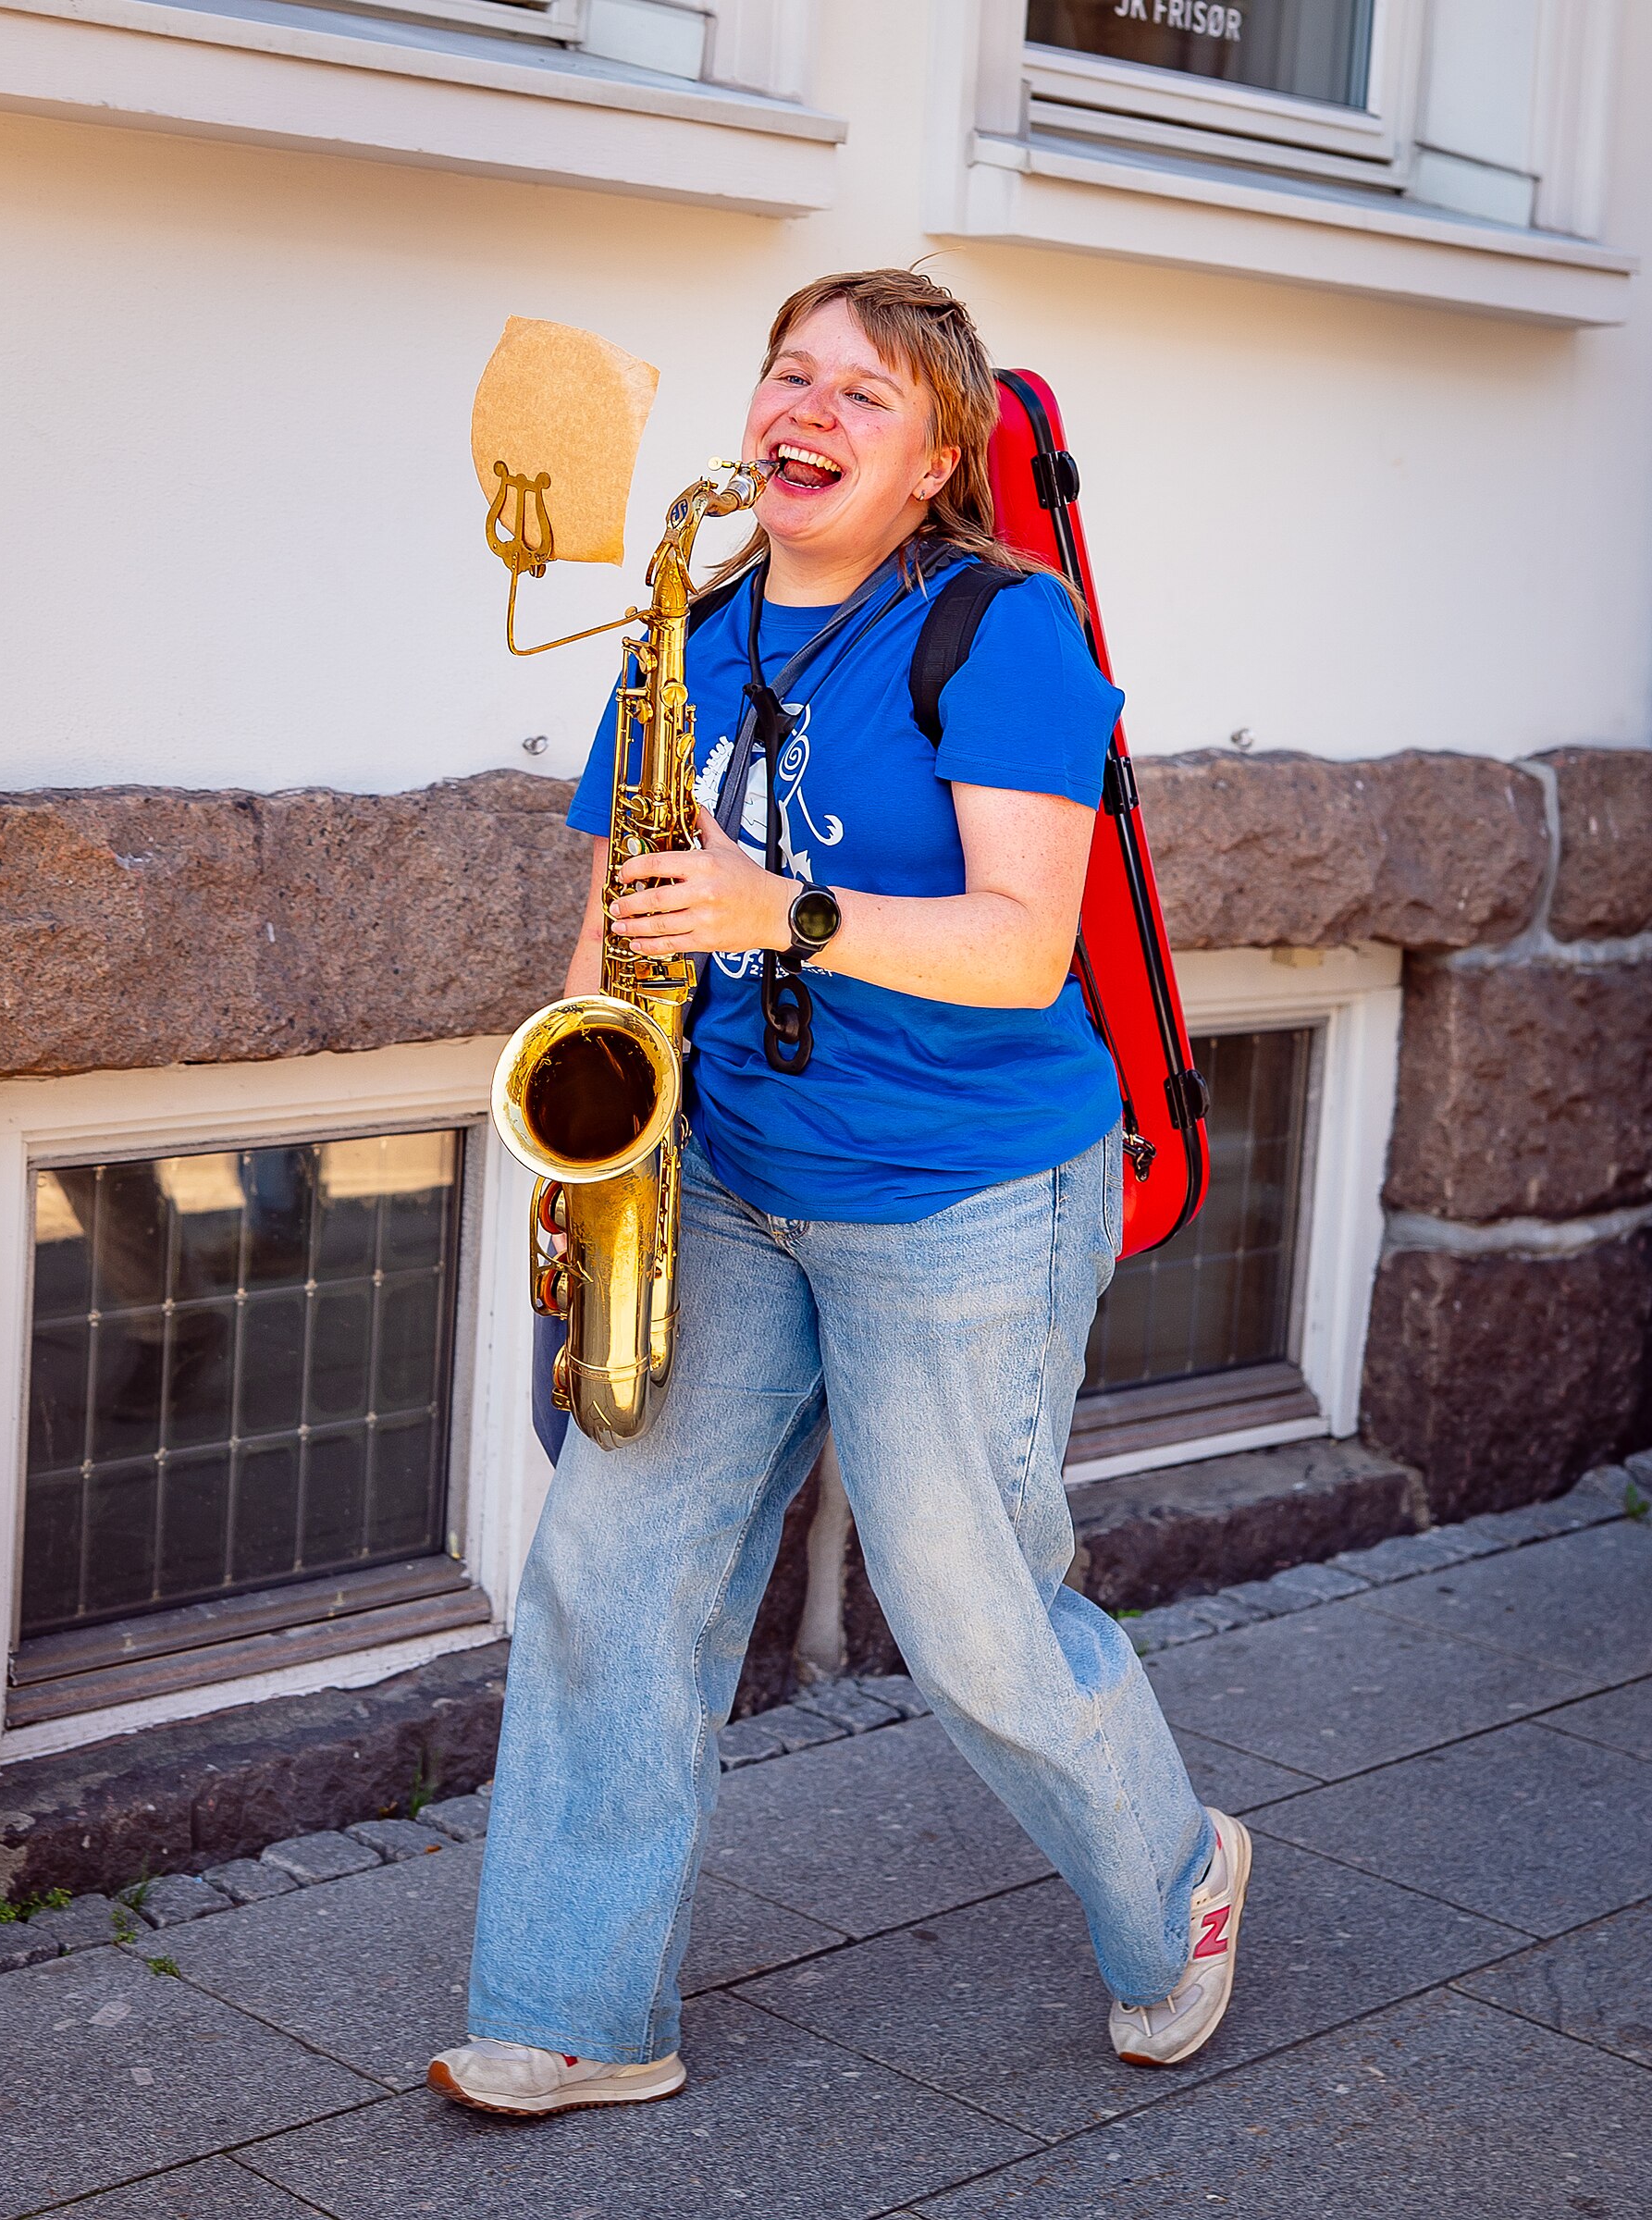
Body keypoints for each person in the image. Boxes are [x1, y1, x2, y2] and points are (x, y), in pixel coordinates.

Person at [429, 268, 1251, 2119]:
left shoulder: (1002, 630)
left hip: (961, 1188)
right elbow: (615, 921)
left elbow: (1023, 943)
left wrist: (776, 908)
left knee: (967, 1615)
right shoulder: (686, 636)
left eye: (863, 394)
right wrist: (591, 1164)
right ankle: (574, 2010)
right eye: (787, 372)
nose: (806, 406)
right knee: (610, 1584)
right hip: (715, 1175)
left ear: (935, 459)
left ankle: (1178, 1879)